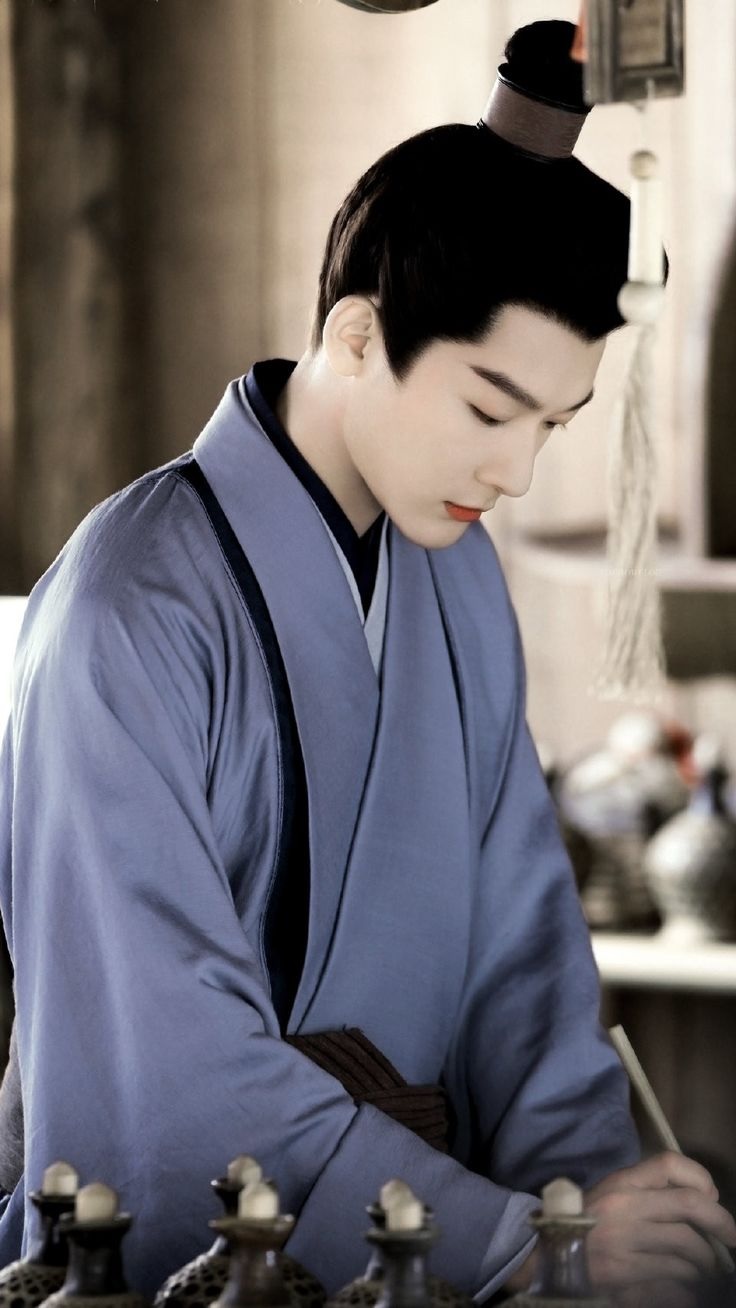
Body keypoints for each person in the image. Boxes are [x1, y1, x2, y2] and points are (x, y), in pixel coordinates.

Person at [0, 18, 734, 1308]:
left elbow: (524, 969)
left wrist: (595, 1217)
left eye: (554, 427)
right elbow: (166, 1080)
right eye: (489, 408)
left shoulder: (454, 573)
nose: (516, 471)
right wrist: (519, 1242)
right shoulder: (127, 608)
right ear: (355, 337)